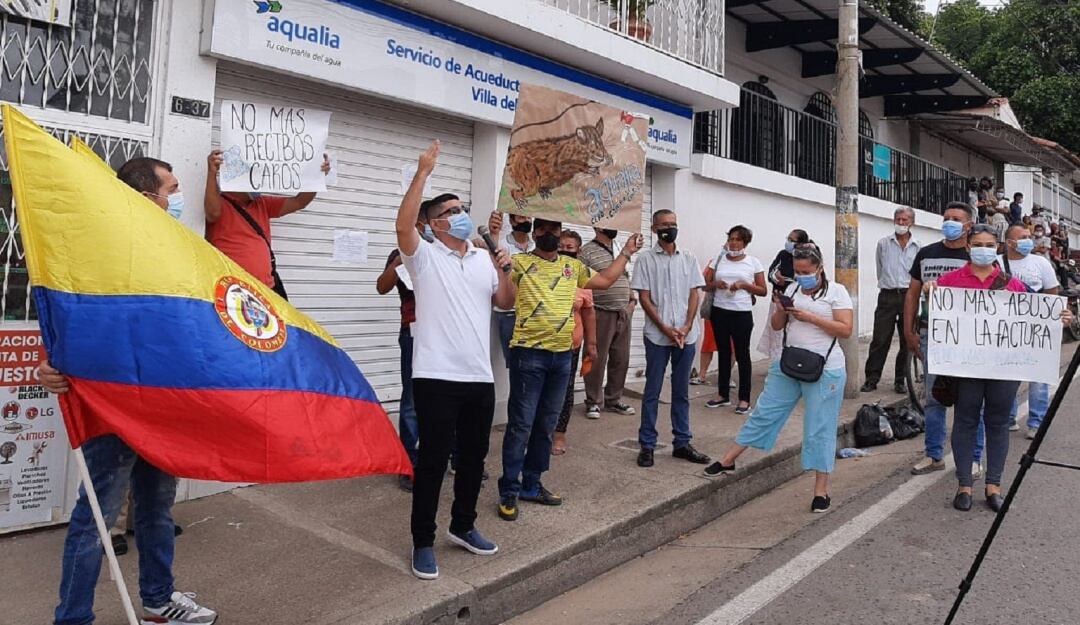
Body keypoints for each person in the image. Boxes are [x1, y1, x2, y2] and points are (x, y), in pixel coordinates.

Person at [44, 157, 217, 625]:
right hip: (115, 410)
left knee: (156, 510)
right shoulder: (101, 251)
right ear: (146, 197)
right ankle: (73, 618)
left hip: (163, 407)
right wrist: (50, 361)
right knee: (95, 520)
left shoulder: (173, 248)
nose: (178, 198)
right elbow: (68, 312)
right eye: (172, 190)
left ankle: (158, 601)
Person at [397, 142, 516, 580]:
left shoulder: (484, 259)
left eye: (462, 208)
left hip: (478, 377)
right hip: (435, 377)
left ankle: (462, 526)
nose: (461, 214)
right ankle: (423, 541)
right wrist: (422, 172)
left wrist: (504, 267)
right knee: (431, 464)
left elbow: (506, 302)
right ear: (434, 223)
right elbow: (402, 225)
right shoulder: (425, 257)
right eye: (450, 211)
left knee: (474, 459)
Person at [497, 220, 643, 522]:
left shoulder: (572, 266)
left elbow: (606, 280)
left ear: (561, 233)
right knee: (521, 425)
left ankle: (532, 484)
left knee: (546, 425)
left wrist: (627, 252)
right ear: (534, 233)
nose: (548, 235)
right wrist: (501, 264)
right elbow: (506, 301)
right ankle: (509, 489)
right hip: (528, 355)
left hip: (562, 357)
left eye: (554, 230)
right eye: (542, 230)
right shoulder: (519, 262)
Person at [704, 243, 853, 513]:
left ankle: (821, 490)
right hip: (788, 363)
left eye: (806, 271)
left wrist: (810, 317)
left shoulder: (836, 292)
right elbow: (776, 326)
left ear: (819, 268)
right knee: (765, 412)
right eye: (798, 271)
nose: (801, 276)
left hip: (825, 369)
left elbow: (845, 329)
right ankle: (728, 459)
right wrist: (781, 309)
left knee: (820, 427)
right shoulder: (792, 289)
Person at [934, 225, 1072, 512]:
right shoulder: (949, 282)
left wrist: (1060, 317)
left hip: (1004, 369)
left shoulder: (1013, 284)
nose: (983, 249)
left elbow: (1038, 312)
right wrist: (929, 294)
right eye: (977, 244)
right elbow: (933, 317)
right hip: (966, 369)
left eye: (989, 245)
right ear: (968, 247)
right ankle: (964, 485)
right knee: (965, 420)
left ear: (996, 247)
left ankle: (994, 486)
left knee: (997, 423)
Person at [631, 210, 711, 468]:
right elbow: (644, 298)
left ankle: (682, 442)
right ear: (654, 229)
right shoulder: (645, 259)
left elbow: (695, 293)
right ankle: (647, 445)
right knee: (652, 390)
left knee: (681, 390)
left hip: (686, 336)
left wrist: (686, 326)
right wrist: (665, 328)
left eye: (673, 224)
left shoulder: (688, 257)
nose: (670, 228)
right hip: (658, 336)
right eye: (664, 225)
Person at [905, 201, 975, 476]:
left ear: (968, 225)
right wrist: (909, 332)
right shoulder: (926, 254)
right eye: (946, 218)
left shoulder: (977, 256)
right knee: (934, 398)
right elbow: (912, 294)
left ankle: (973, 457)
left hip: (968, 339)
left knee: (971, 401)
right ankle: (934, 454)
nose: (949, 223)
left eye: (956, 219)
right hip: (931, 335)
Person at [203, 149, 331, 299]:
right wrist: (212, 173)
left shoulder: (262, 203)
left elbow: (299, 202)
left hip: (266, 289)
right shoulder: (220, 202)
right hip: (234, 291)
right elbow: (212, 213)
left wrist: (316, 178)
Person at [376, 222, 425, 493]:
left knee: (450, 395)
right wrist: (397, 263)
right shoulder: (399, 254)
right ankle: (409, 463)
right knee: (412, 400)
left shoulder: (445, 253)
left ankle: (451, 455)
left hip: (446, 333)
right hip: (413, 332)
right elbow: (381, 287)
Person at [999, 224, 1059, 439]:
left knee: (1038, 378)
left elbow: (1052, 293)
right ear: (1009, 242)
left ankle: (1036, 422)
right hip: (1006, 331)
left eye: (1029, 236)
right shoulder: (997, 263)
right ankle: (1008, 418)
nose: (1028, 240)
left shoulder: (1041, 263)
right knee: (1008, 376)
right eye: (1023, 237)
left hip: (1036, 328)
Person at [704, 226, 767, 414]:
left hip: (741, 313)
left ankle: (744, 399)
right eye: (731, 239)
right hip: (719, 311)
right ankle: (722, 394)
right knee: (723, 353)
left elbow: (763, 290)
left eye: (738, 239)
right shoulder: (718, 260)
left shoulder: (753, 263)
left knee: (742, 355)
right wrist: (716, 284)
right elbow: (704, 285)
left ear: (745, 242)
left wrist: (745, 286)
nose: (733, 243)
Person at [578, 227, 638, 418]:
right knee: (596, 358)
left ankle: (614, 399)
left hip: (623, 312)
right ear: (597, 226)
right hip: (600, 311)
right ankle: (593, 401)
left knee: (621, 359)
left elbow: (624, 275)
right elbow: (582, 282)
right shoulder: (586, 251)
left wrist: (631, 300)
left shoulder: (619, 247)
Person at [862, 208, 921, 394]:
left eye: (905, 220)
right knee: (880, 339)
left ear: (912, 222)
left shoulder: (918, 247)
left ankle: (900, 380)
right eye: (898, 219)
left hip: (908, 295)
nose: (901, 223)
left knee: (906, 339)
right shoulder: (883, 244)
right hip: (887, 295)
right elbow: (880, 269)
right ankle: (871, 379)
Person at [552, 231, 597, 456]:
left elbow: (588, 312)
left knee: (565, 389)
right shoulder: (545, 269)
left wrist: (592, 344)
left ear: (578, 251)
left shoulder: (581, 276)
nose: (564, 250)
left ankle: (559, 433)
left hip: (571, 344)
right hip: (542, 343)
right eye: (561, 246)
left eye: (569, 247)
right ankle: (537, 433)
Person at [484, 212, 535, 363]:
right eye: (521, 217)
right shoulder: (501, 245)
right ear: (512, 221)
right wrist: (493, 233)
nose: (526, 220)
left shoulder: (537, 246)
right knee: (515, 362)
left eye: (528, 217)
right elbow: (493, 269)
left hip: (532, 312)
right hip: (510, 313)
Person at [757, 230, 810, 361]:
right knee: (776, 334)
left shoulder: (807, 257)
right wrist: (777, 279)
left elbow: (803, 279)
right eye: (788, 239)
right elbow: (771, 273)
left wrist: (785, 280)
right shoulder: (783, 255)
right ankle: (776, 362)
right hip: (779, 301)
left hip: (798, 302)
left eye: (792, 240)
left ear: (801, 243)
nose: (788, 242)